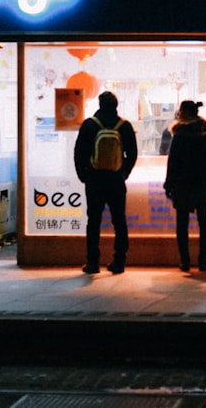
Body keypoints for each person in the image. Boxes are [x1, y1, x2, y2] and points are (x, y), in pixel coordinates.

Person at [74, 91, 138, 275]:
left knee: (93, 221)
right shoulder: (124, 126)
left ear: (99, 104)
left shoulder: (90, 125)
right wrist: (124, 173)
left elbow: (79, 153)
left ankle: (93, 263)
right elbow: (132, 154)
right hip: (116, 181)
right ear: (116, 105)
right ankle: (119, 261)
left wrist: (83, 175)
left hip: (94, 181)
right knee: (119, 221)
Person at [163, 101, 206, 272]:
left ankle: (185, 262)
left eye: (180, 111)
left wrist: (169, 183)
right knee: (204, 222)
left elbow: (173, 162)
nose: (178, 113)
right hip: (202, 183)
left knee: (182, 223)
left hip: (183, 183)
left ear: (185, 112)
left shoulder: (179, 135)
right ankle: (203, 261)